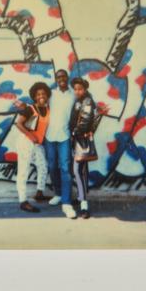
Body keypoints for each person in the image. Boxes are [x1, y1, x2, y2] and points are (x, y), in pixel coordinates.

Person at [44, 69, 77, 219]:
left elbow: (84, 106)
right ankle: (58, 193)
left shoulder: (73, 94)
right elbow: (38, 103)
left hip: (65, 136)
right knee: (52, 166)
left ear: (67, 78)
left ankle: (67, 202)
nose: (61, 79)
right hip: (50, 136)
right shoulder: (51, 94)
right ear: (56, 79)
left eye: (63, 76)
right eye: (58, 77)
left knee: (65, 168)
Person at [15, 82, 51, 213]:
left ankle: (39, 193)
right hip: (26, 141)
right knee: (23, 170)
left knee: (43, 166)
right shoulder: (30, 108)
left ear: (47, 95)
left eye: (43, 94)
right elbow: (18, 124)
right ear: (35, 97)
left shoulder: (47, 110)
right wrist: (30, 136)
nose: (41, 96)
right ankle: (23, 201)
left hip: (37, 143)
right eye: (38, 94)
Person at [69, 77, 97, 219]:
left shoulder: (87, 101)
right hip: (77, 140)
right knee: (79, 171)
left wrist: (75, 132)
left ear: (85, 89)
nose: (77, 91)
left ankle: (84, 205)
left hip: (82, 140)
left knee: (80, 171)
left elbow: (85, 120)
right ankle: (81, 198)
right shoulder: (79, 101)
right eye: (75, 89)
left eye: (80, 89)